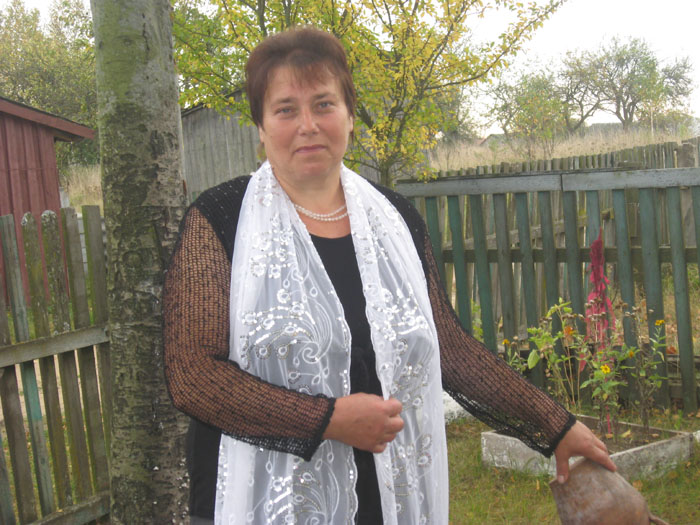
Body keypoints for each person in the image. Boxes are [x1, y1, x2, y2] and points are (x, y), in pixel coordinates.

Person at [163, 26, 616, 525]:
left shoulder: (396, 220)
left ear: (349, 115)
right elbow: (193, 376)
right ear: (262, 127)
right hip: (261, 496)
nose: (308, 125)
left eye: (324, 104)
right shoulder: (220, 219)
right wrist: (328, 420)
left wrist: (554, 425)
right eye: (286, 110)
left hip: (388, 490)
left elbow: (450, 349)